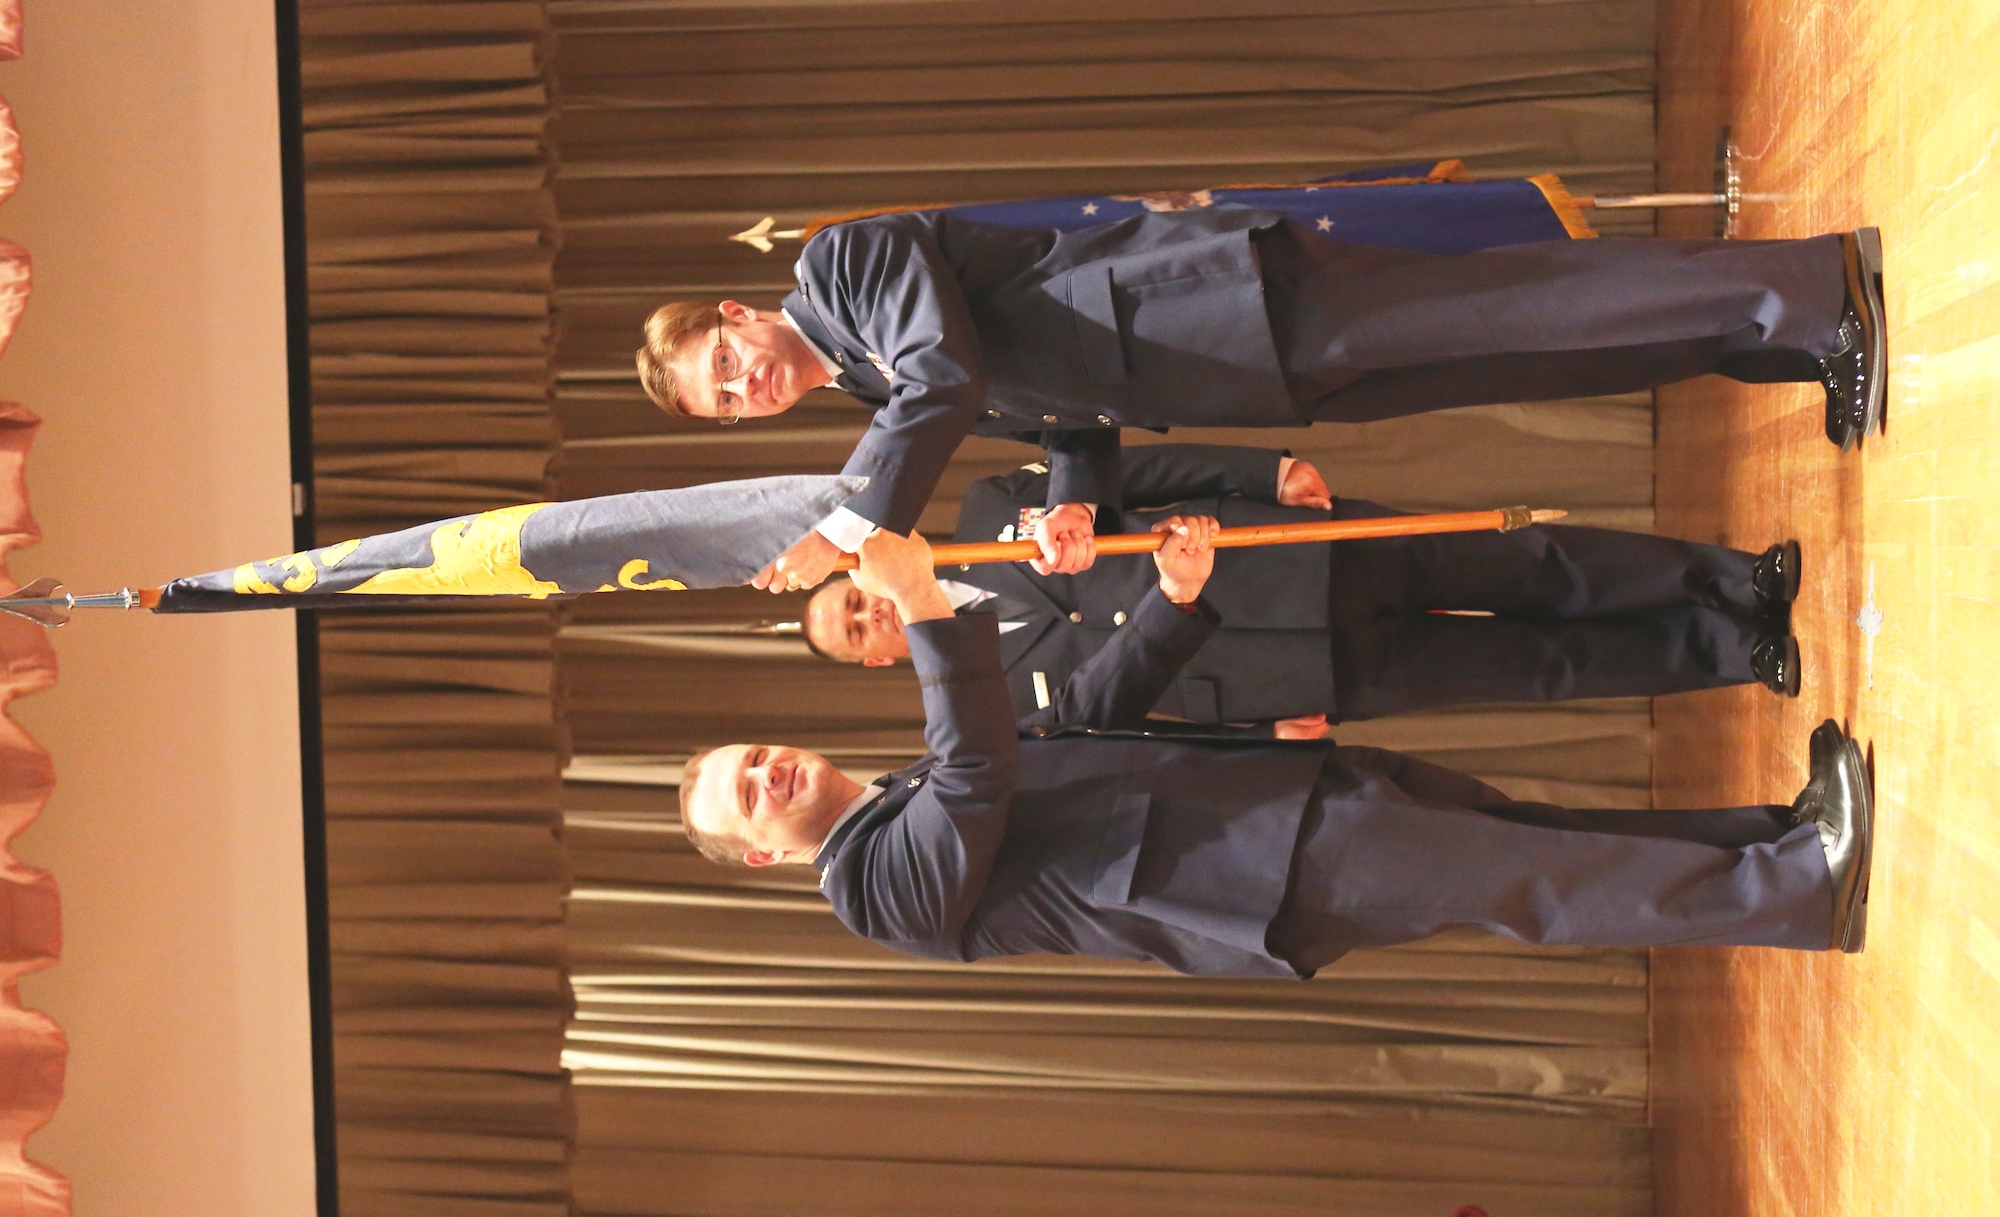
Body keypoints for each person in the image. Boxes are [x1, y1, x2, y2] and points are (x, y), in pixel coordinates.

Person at [678, 527, 1875, 979]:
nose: (770, 770)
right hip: (1255, 873)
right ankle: (1801, 886)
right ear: (763, 858)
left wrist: (1173, 603)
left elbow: (1083, 715)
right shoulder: (869, 889)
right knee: (1535, 881)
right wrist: (927, 607)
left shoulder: (897, 785)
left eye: (759, 751)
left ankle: (1771, 837)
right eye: (751, 793)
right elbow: (986, 776)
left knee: (1533, 838)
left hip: (1264, 799)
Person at [633, 213, 1885, 591]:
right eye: (728, 408)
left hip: (1217, 300)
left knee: (1518, 302)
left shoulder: (837, 274)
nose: (745, 389)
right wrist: (1074, 514)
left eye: (724, 365)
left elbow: (946, 376)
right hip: (1222, 373)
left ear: (735, 315)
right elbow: (1067, 422)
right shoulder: (866, 381)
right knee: (1516, 360)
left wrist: (855, 526)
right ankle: (1768, 343)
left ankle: (1804, 289)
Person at [803, 443, 1810, 715]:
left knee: (1530, 562)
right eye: (855, 626)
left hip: (1279, 552)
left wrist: (1256, 471)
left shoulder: (988, 511)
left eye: (851, 590)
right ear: (876, 653)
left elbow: (1126, 472)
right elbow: (1120, 716)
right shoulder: (974, 703)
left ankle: (1729, 576)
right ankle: (1732, 649)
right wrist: (1259, 743)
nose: (866, 606)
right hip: (1281, 681)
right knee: (1532, 664)